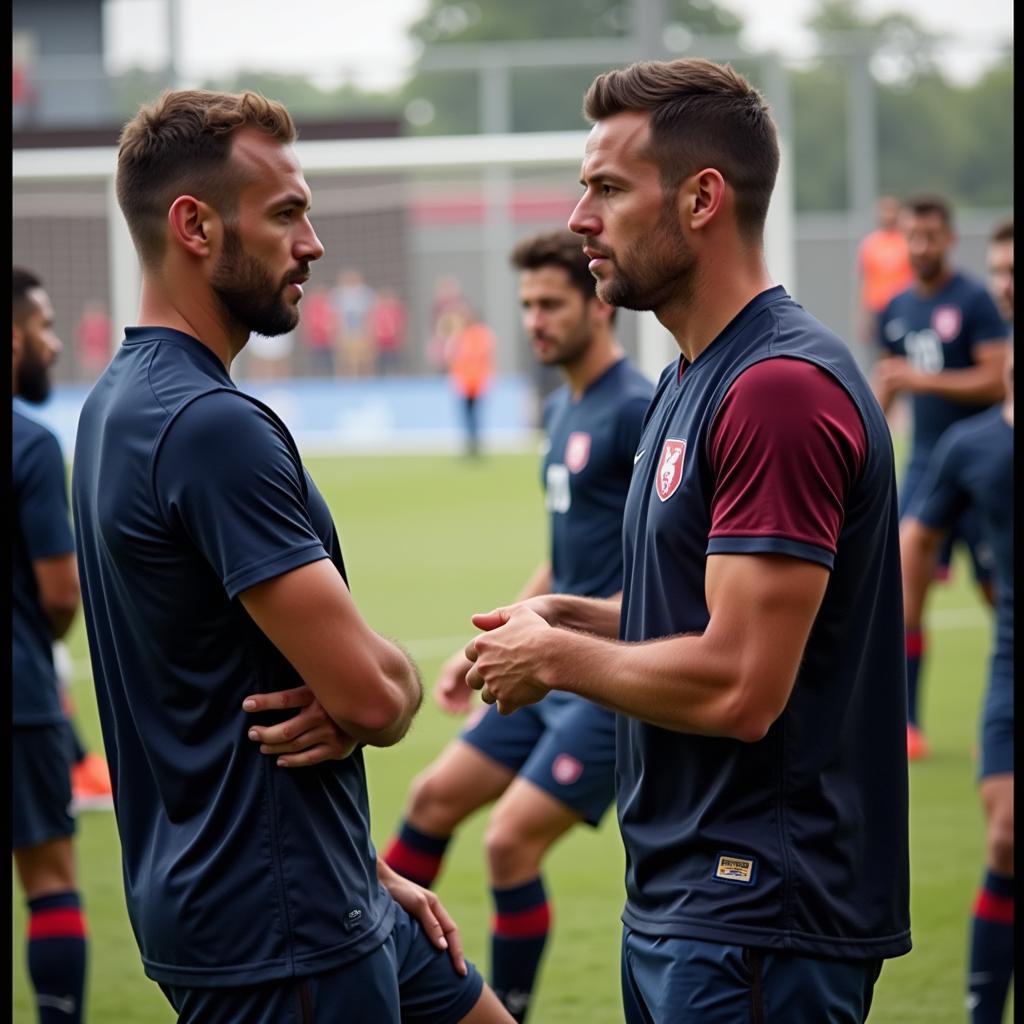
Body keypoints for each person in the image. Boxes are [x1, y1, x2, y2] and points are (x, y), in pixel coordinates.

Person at [463, 58, 911, 1023]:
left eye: (609, 188)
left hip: (759, 912)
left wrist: (561, 658)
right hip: (683, 900)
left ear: (703, 198)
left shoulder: (779, 390)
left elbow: (744, 684)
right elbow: (697, 617)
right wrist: (566, 613)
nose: (582, 217)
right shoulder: (688, 378)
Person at [70, 89, 512, 1024]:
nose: (311, 242)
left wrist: (358, 861)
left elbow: (205, 681)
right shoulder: (210, 428)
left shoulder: (115, 405)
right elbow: (370, 699)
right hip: (276, 931)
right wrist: (382, 686)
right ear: (194, 225)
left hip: (307, 885)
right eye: (286, 214)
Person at [383, 229, 653, 1022]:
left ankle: (505, 1012)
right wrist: (493, 638)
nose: (534, 320)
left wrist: (562, 635)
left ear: (597, 306)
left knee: (509, 845)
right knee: (431, 798)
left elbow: (660, 564)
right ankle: (384, 980)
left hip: (605, 679)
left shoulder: (634, 409)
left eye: (551, 304)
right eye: (528, 304)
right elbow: (564, 555)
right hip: (542, 661)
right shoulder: (564, 403)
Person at [899, 219, 1013, 1024]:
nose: (1006, 285)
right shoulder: (977, 447)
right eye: (1003, 270)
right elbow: (914, 543)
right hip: (1010, 662)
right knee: (1005, 840)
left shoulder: (964, 312)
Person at [872, 193, 1009, 759]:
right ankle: (906, 724)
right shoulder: (895, 309)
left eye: (931, 236)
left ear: (949, 239)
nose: (921, 246)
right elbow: (889, 381)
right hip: (927, 465)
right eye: (913, 236)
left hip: (983, 469)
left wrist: (922, 381)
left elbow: (997, 380)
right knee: (906, 588)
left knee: (997, 592)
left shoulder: (976, 300)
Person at [13, 267, 89, 1024]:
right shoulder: (31, 445)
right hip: (20, 694)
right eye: (44, 329)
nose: (55, 345)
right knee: (49, 880)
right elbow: (61, 594)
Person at [856, 195, 913, 358]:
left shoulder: (907, 241)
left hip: (902, 308)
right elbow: (866, 280)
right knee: (880, 354)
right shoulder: (870, 244)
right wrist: (863, 316)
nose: (888, 215)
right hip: (878, 309)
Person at [446, 306, 496, 457]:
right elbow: (452, 358)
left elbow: (485, 357)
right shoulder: (461, 335)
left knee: (474, 415)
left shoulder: (480, 334)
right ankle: (471, 444)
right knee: (467, 415)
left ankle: (475, 444)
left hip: (476, 382)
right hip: (465, 382)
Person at [331, 268, 377, 377]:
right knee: (344, 359)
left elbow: (371, 315)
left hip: (362, 332)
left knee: (365, 359)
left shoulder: (366, 293)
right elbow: (334, 316)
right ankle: (344, 380)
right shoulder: (337, 294)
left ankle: (366, 380)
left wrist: (370, 332)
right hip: (344, 333)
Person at [371, 286, 407, 376]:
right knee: (381, 366)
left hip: (394, 343)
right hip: (381, 343)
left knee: (396, 364)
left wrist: (401, 339)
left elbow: (401, 325)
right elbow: (373, 326)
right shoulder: (377, 311)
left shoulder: (396, 310)